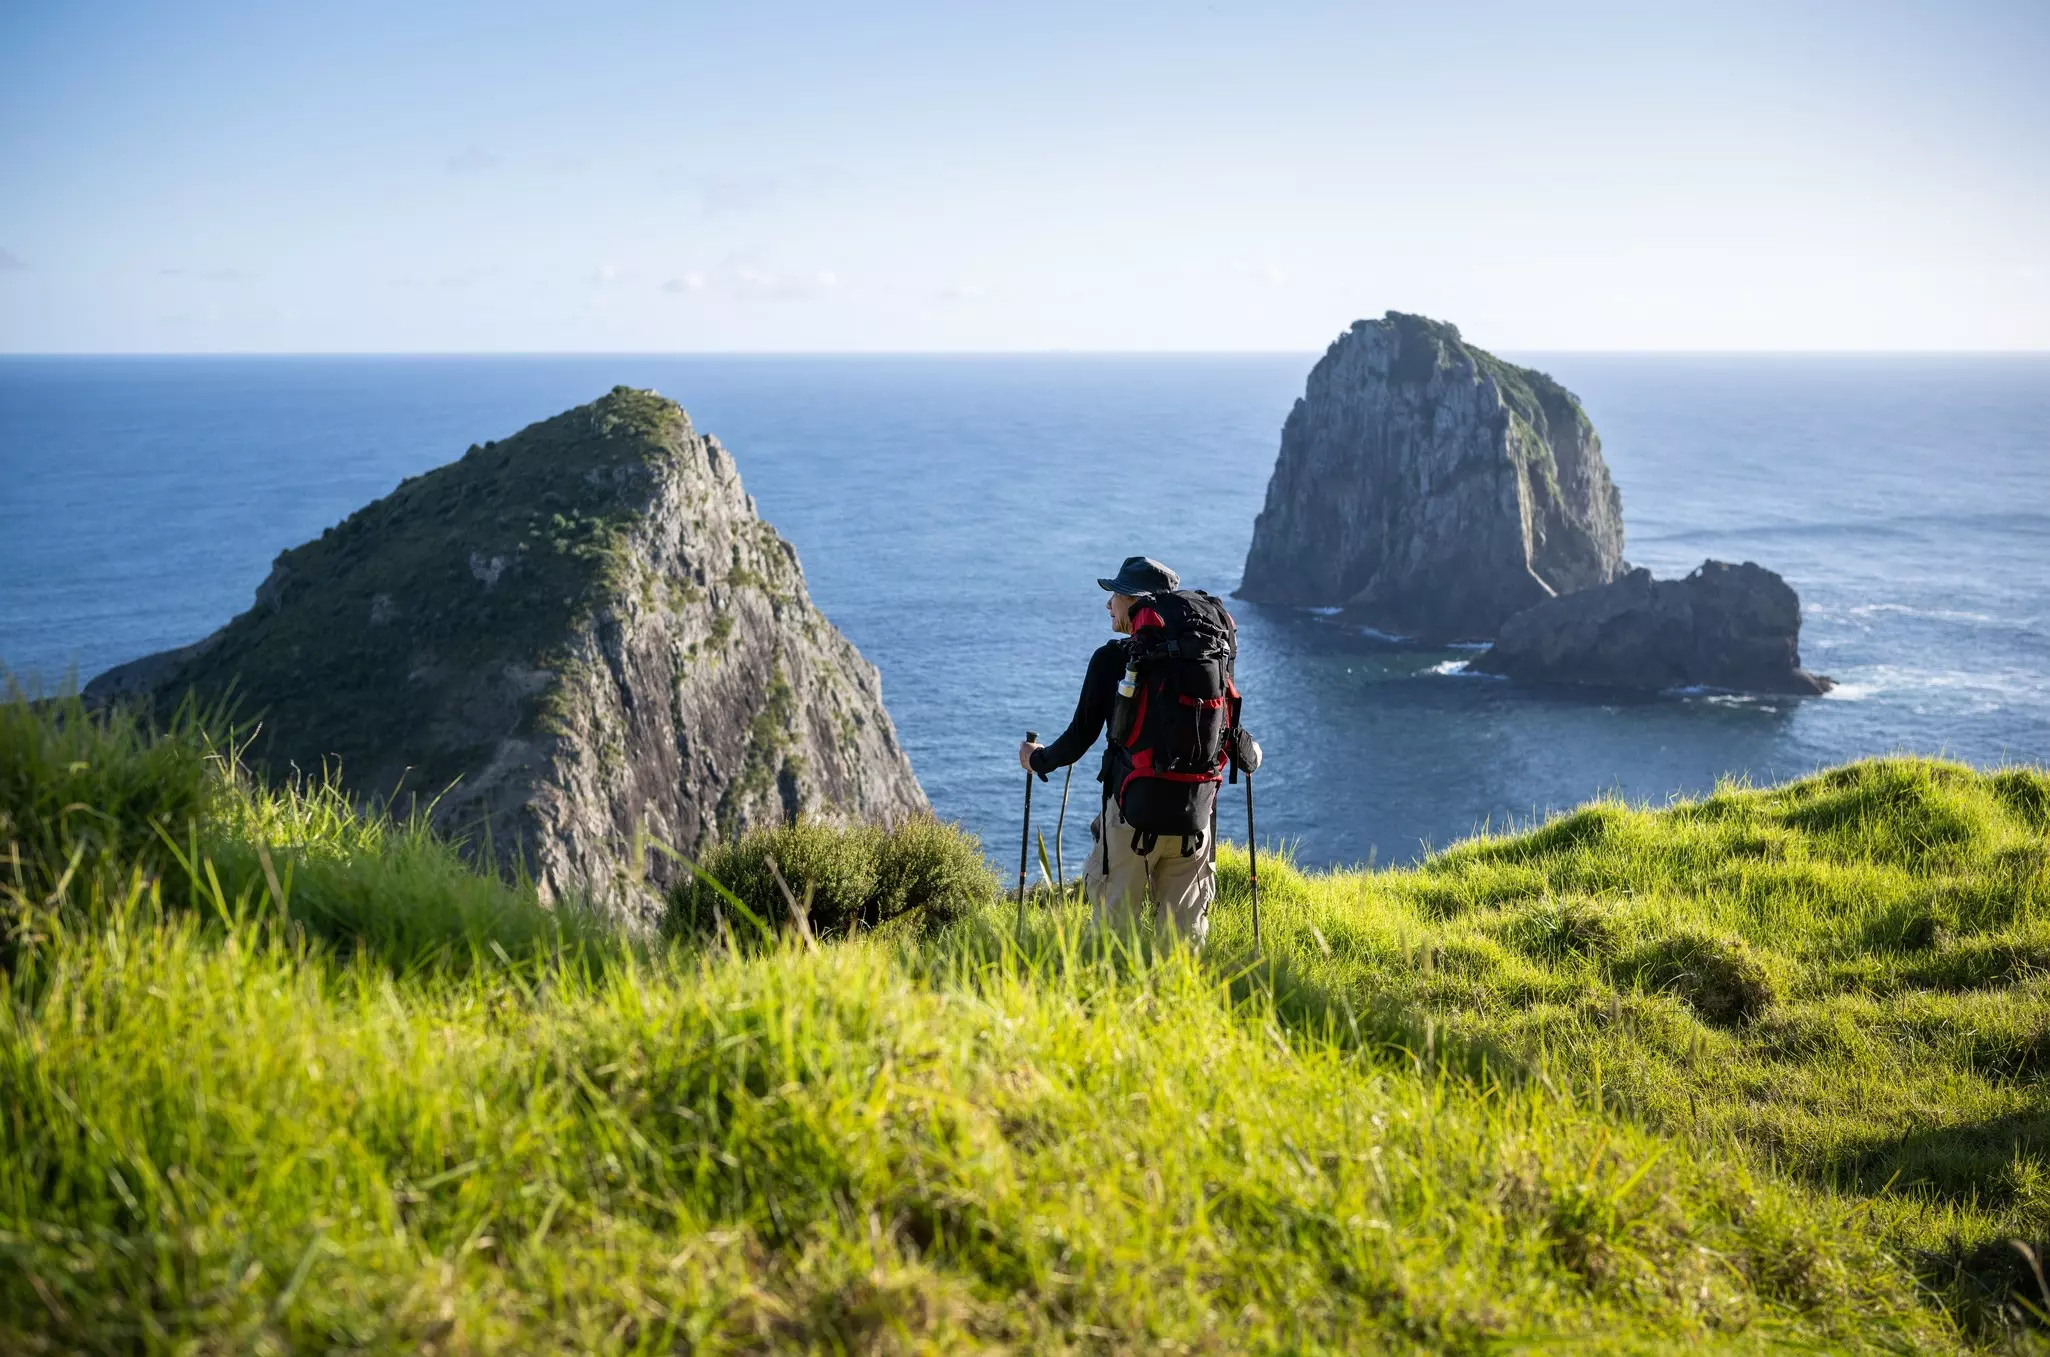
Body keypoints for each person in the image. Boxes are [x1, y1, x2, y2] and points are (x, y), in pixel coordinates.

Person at [1019, 555, 1254, 946]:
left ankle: (1114, 1005)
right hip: (1194, 819)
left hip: (1131, 818)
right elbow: (1227, 726)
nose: (1108, 604)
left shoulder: (1114, 658)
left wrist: (1036, 759)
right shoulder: (1210, 654)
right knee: (1182, 948)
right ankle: (1179, 1007)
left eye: (1115, 594)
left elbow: (1079, 737)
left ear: (1136, 602)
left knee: (1114, 942)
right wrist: (1251, 756)